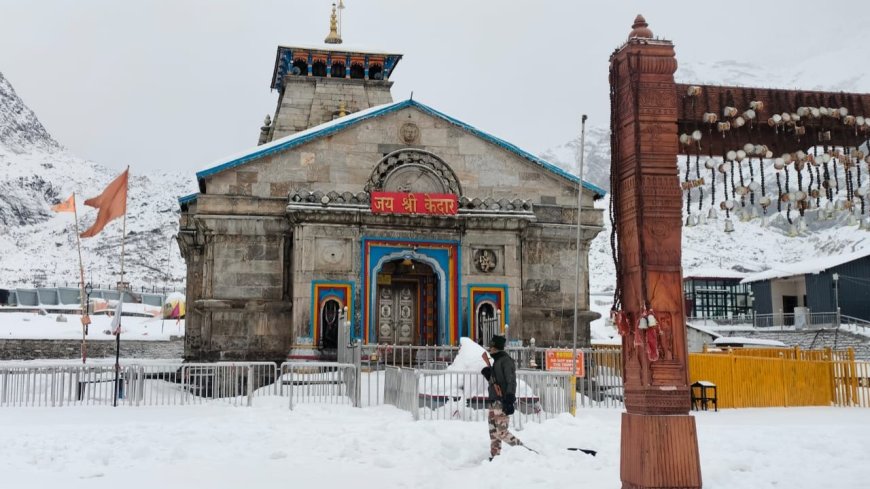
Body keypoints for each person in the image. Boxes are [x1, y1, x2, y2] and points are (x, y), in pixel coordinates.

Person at [480, 334, 522, 459]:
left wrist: (510, 398)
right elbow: (496, 381)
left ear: (496, 348)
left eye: (491, 347)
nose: (490, 349)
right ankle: (495, 457)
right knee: (493, 432)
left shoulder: (506, 361)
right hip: (493, 401)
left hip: (502, 401)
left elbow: (511, 380)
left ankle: (524, 450)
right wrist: (489, 376)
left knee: (502, 432)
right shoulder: (496, 361)